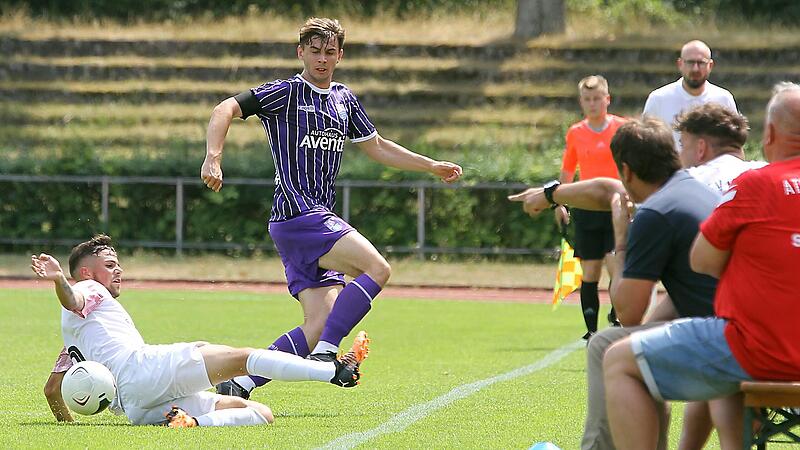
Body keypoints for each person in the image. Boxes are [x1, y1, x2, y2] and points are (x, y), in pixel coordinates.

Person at [201, 17, 462, 398]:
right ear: (300, 52)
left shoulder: (343, 98)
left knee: (319, 323)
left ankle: (240, 384)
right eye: (314, 51)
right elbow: (225, 108)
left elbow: (376, 145)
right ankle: (326, 355)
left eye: (329, 52)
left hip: (303, 221)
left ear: (339, 55)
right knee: (377, 268)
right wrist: (213, 157)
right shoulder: (286, 92)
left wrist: (430, 165)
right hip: (300, 213)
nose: (321, 59)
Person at [603, 83, 800, 449]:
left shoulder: (754, 184)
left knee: (618, 361)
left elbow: (702, 260)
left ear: (770, 134)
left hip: (761, 350)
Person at [509, 117, 721, 449]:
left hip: (722, 341)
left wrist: (620, 239)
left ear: (628, 170)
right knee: (636, 350)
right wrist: (550, 195)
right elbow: (607, 190)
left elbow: (629, 313)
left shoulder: (656, 213)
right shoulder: (690, 189)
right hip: (735, 326)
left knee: (606, 346)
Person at [37, 235, 367, 427]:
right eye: (110, 265)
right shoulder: (90, 289)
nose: (118, 270)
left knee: (260, 414)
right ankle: (331, 372)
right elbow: (72, 298)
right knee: (244, 359)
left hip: (136, 409)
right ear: (85, 272)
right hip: (143, 371)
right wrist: (58, 281)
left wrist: (70, 427)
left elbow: (53, 390)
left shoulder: (77, 337)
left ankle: (194, 423)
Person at [556, 75, 627, 339]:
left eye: (598, 98)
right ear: (581, 102)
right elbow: (567, 171)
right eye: (587, 99)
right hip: (586, 211)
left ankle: (618, 316)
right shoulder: (576, 132)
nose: (593, 104)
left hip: (616, 208)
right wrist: (559, 201)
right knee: (591, 271)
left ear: (607, 99)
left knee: (616, 265)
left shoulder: (622, 128)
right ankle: (591, 331)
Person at [643, 40, 736, 151]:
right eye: (690, 62)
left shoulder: (724, 99)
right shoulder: (658, 99)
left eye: (701, 63)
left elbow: (735, 145)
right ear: (680, 64)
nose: (695, 68)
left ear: (710, 65)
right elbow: (645, 144)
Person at [678, 102, 766, 194]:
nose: (680, 155)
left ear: (701, 148)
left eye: (683, 146)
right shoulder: (770, 174)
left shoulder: (687, 183)